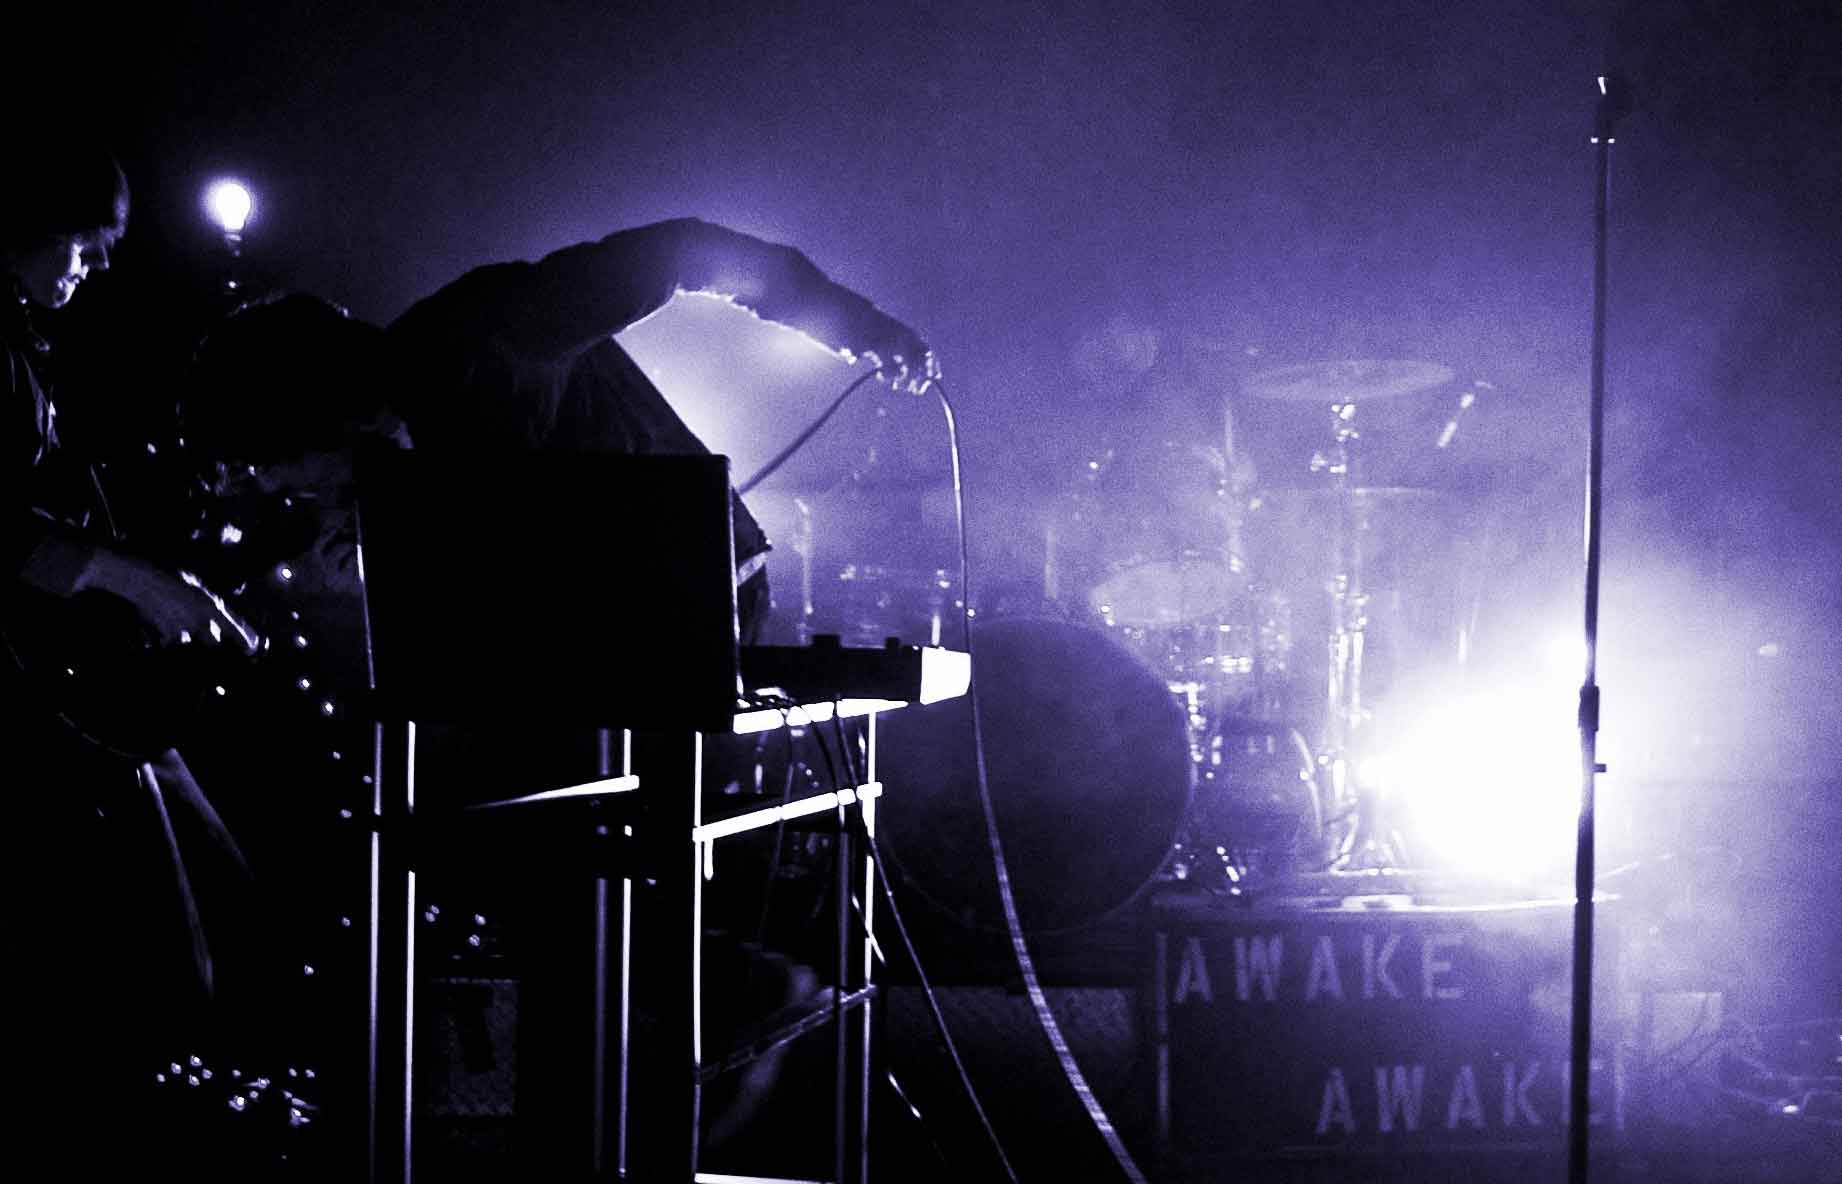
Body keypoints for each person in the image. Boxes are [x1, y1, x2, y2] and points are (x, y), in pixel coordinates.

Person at [177, 218, 934, 1176]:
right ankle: (633, 1052)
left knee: (531, 830)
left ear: (302, 411)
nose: (277, 486)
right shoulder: (401, 435)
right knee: (504, 839)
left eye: (269, 463)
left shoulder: (484, 328)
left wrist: (851, 321)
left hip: (687, 595)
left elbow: (678, 248)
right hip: (593, 620)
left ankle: (712, 999)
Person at [1, 135, 286, 1178]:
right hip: (34, 700)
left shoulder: (24, 345)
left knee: (206, 891)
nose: (93, 267)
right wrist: (141, 585)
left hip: (62, 684)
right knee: (162, 934)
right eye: (84, 243)